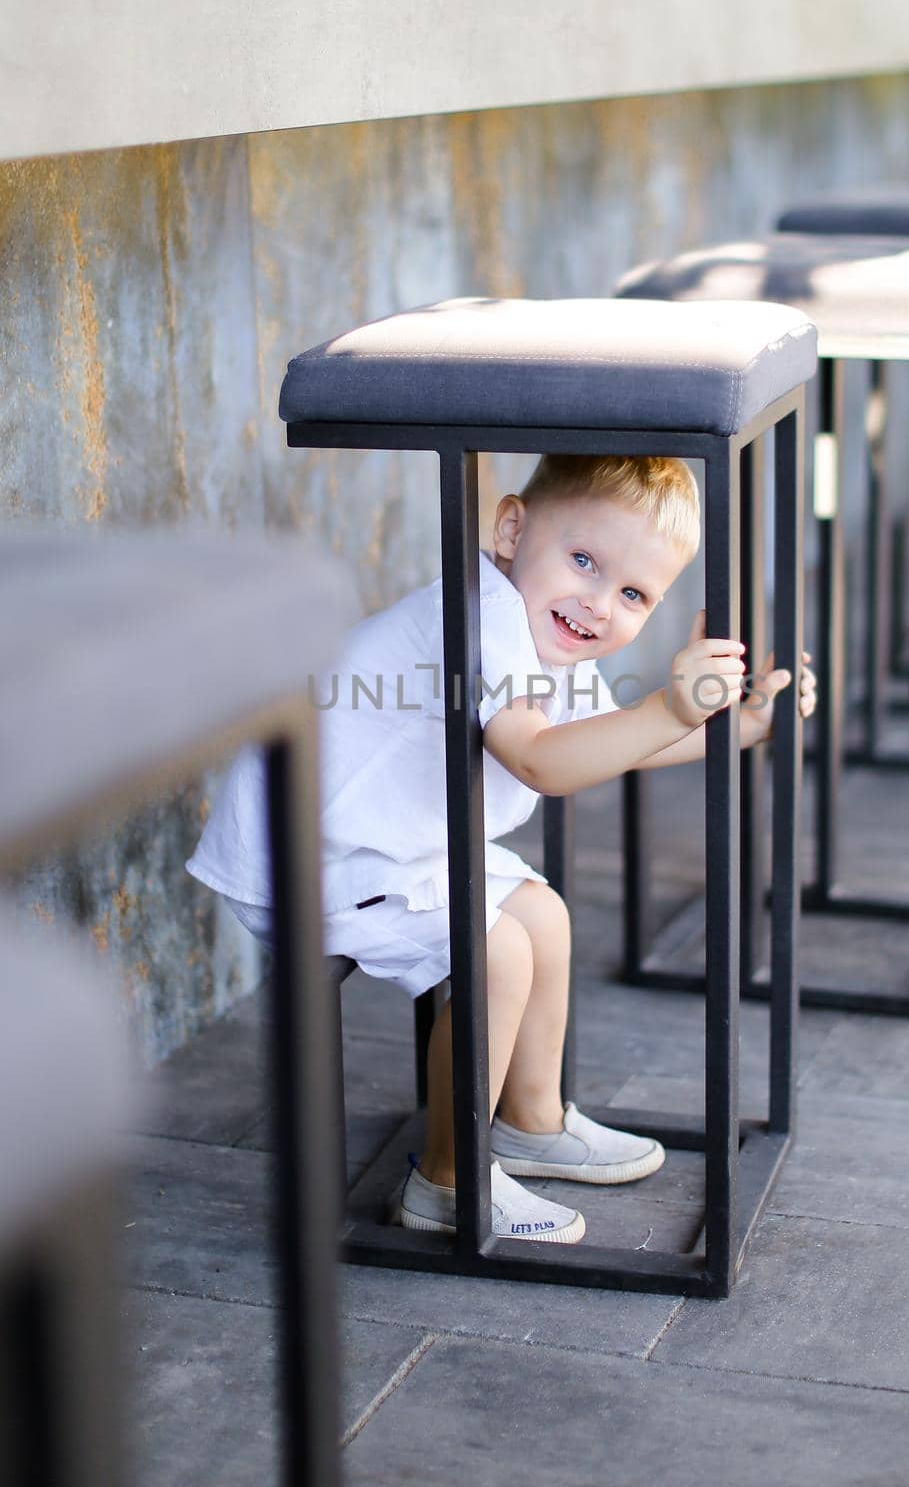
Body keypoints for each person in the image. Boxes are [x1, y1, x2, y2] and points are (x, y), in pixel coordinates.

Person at [186, 454, 816, 1244]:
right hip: (312, 855)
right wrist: (667, 705)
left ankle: (530, 1121)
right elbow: (542, 761)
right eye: (583, 561)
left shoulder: (536, 627)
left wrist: (736, 726)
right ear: (512, 529)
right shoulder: (487, 625)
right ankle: (446, 1181)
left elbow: (602, 745)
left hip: (392, 843)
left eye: (631, 594)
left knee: (540, 915)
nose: (597, 603)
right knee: (500, 953)